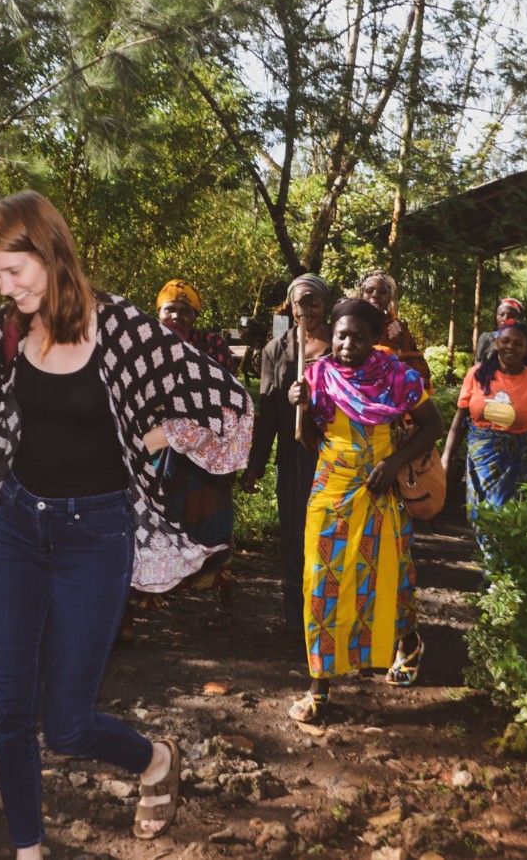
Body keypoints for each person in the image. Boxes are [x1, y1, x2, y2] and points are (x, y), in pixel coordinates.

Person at [0, 191, 252, 857]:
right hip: (17, 528)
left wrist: (155, 437)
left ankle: (154, 760)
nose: (6, 287)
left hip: (96, 535)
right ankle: (29, 849)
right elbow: (10, 416)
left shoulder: (120, 326)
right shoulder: (16, 328)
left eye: (14, 271)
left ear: (51, 252)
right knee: (8, 711)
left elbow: (221, 397)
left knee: (65, 725)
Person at [284, 298, 444, 722]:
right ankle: (319, 687)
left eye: (358, 336)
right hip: (331, 492)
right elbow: (306, 442)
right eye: (340, 335)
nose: (347, 343)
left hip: (381, 491)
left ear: (375, 339)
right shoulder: (317, 375)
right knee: (321, 583)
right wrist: (299, 404)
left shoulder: (398, 376)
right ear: (331, 336)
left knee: (388, 579)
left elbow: (432, 423)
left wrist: (393, 463)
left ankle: (407, 643)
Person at [124, 280, 239, 632]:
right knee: (140, 522)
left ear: (195, 316)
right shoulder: (138, 345)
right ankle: (127, 609)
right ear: (158, 312)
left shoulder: (209, 347)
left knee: (202, 517)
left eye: (185, 310)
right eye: (170, 309)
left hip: (197, 450)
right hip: (150, 447)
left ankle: (213, 579)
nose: (177, 315)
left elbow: (227, 394)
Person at [240, 273, 332, 635]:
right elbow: (268, 410)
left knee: (329, 533)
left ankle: (331, 609)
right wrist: (256, 465)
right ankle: (298, 616)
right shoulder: (275, 350)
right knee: (295, 534)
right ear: (290, 307)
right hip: (293, 457)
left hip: (332, 454)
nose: (306, 309)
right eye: (300, 302)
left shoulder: (339, 345)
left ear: (325, 304)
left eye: (313, 301)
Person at [441, 320, 527, 533]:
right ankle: (490, 565)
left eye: (518, 343)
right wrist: (447, 457)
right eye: (505, 341)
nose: (511, 346)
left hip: (518, 466)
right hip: (480, 463)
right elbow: (460, 419)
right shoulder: (476, 374)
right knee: (481, 520)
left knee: (510, 522)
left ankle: (499, 566)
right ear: (495, 343)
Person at [356, 269, 432, 392]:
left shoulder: (394, 326)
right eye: (369, 291)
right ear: (361, 295)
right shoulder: (351, 323)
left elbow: (411, 357)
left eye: (382, 292)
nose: (375, 295)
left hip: (390, 390)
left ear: (389, 297)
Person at [475, 297, 527, 372]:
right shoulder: (486, 338)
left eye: (512, 315)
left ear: (519, 319)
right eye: (501, 314)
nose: (505, 318)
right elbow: (478, 365)